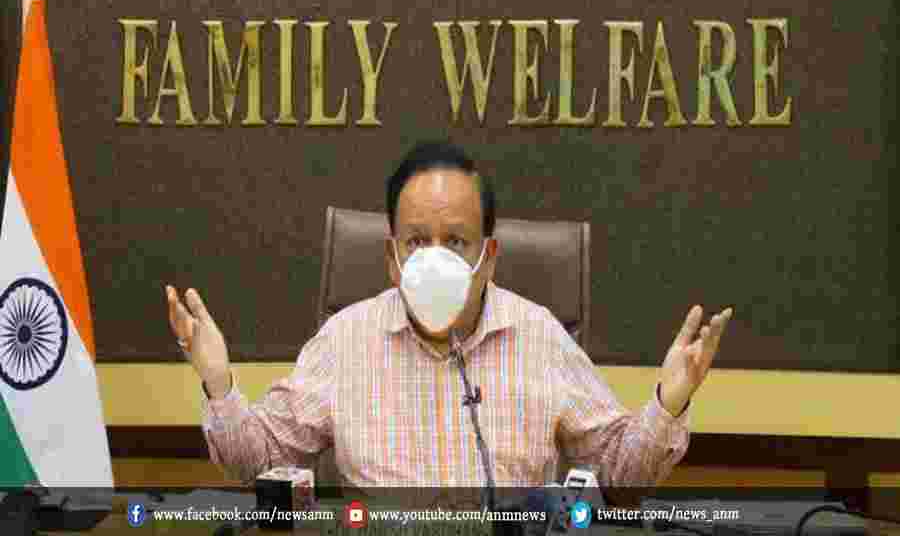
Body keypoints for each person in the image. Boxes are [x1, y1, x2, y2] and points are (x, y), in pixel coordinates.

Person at [166, 140, 732, 488]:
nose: (433, 259)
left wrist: (669, 402)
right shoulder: (345, 340)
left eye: (456, 241)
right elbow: (258, 463)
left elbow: (619, 480)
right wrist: (219, 384)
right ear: (390, 258)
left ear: (490, 256)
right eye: (416, 241)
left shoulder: (538, 335)